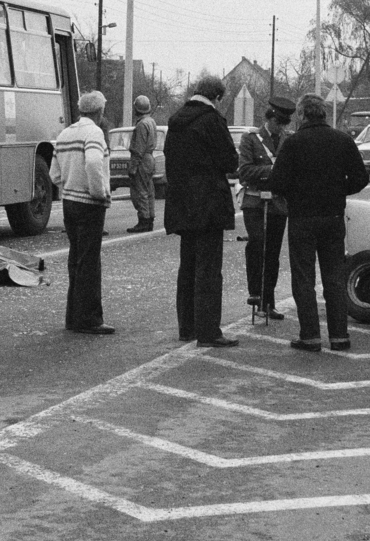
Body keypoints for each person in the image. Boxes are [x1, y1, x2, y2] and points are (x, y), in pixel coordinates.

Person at [269, 93, 369, 352]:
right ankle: (339, 336)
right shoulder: (343, 140)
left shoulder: (293, 143)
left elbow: (277, 183)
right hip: (333, 216)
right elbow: (360, 178)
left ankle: (310, 335)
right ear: (323, 113)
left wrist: (296, 192)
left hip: (302, 217)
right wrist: (337, 189)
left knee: (304, 278)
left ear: (301, 114)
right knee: (334, 277)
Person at [164, 75, 239, 347]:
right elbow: (230, 160)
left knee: (188, 267)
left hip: (182, 203)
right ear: (217, 97)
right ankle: (209, 331)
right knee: (209, 270)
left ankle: (187, 327)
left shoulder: (176, 121)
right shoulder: (212, 121)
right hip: (208, 203)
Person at [50, 90, 114, 335]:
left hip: (69, 201)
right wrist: (99, 192)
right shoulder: (94, 133)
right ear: (99, 111)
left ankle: (73, 316)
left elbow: (54, 174)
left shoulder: (65, 134)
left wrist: (68, 184)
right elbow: (94, 162)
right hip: (89, 203)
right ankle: (90, 318)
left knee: (75, 258)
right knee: (90, 261)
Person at [238, 96, 295, 320]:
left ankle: (268, 300)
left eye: (284, 124)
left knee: (272, 252)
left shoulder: (288, 140)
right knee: (257, 242)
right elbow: (244, 171)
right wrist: (272, 171)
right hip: (254, 200)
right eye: (278, 122)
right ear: (269, 118)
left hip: (278, 202)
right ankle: (255, 291)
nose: (280, 128)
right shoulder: (251, 139)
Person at [126, 95, 158, 233]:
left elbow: (138, 149)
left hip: (142, 160)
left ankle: (143, 220)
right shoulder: (151, 121)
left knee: (141, 191)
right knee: (149, 190)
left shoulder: (141, 125)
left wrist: (133, 167)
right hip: (150, 157)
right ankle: (149, 218)